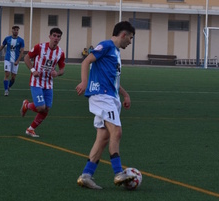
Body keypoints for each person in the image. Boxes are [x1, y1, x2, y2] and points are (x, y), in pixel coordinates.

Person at [75, 21, 136, 189]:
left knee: (103, 138)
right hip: (102, 96)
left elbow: (113, 80)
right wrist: (84, 82)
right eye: (130, 38)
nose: (130, 42)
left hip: (110, 96)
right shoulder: (106, 45)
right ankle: (118, 173)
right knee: (116, 131)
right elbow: (86, 61)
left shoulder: (115, 52)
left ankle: (86, 175)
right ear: (123, 35)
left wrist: (125, 94)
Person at [20, 28, 65, 137]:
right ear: (49, 36)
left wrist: (57, 73)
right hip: (36, 82)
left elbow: (62, 69)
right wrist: (33, 70)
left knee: (47, 109)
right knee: (40, 107)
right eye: (54, 35)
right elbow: (26, 58)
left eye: (58, 36)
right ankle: (27, 104)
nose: (56, 38)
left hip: (49, 83)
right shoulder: (40, 47)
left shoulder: (60, 53)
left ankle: (30, 129)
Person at [0, 25, 25, 96]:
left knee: (13, 77)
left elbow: (22, 52)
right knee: (7, 74)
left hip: (15, 60)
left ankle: (8, 86)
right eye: (14, 30)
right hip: (7, 59)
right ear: (12, 31)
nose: (16, 31)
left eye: (17, 30)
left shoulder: (21, 40)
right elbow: (1, 47)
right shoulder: (7, 38)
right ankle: (6, 90)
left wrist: (18, 61)